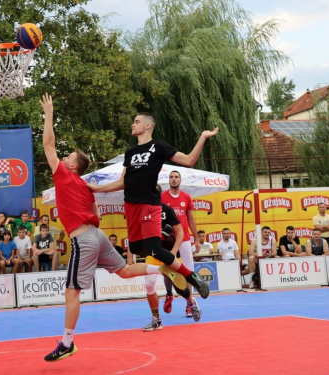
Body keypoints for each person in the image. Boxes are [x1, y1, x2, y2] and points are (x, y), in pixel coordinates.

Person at [40, 94, 180, 362]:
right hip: (98, 235)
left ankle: (67, 343)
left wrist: (49, 113)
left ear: (72, 166)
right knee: (125, 271)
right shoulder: (84, 186)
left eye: (67, 157)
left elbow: (48, 143)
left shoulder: (64, 175)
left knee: (72, 292)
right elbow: (96, 213)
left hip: (84, 238)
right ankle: (161, 267)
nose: (63, 157)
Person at [89, 111, 216, 300]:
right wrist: (95, 189)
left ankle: (192, 276)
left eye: (136, 121)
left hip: (149, 204)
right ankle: (164, 239)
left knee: (155, 249)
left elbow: (189, 160)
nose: (133, 124)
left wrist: (203, 137)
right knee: (137, 248)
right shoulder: (130, 152)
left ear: (148, 126)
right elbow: (121, 182)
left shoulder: (159, 147)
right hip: (130, 206)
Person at [161, 170, 200, 317]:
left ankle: (189, 305)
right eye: (171, 177)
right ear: (169, 180)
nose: (174, 179)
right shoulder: (162, 197)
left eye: (176, 177)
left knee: (188, 272)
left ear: (180, 180)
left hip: (184, 240)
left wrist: (196, 238)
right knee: (168, 271)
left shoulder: (186, 197)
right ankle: (169, 294)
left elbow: (191, 219)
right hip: (168, 241)